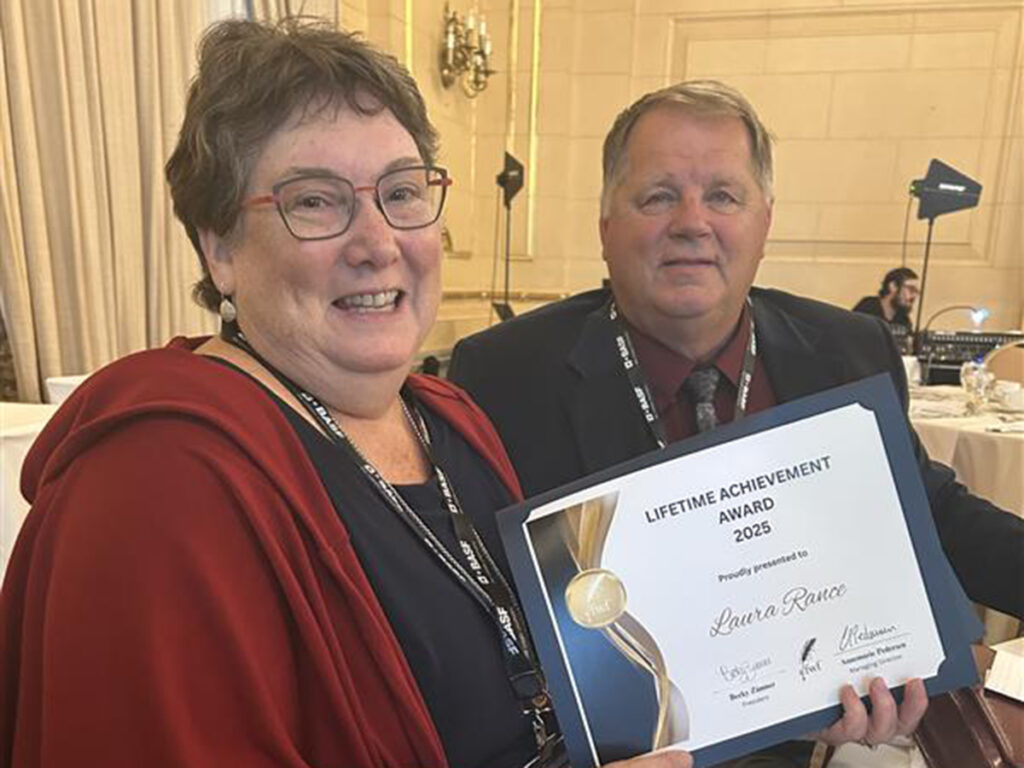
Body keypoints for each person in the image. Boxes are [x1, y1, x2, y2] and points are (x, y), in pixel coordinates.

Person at [0, 19, 689, 768]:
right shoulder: (155, 480)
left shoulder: (448, 420)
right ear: (219, 247)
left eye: (400, 191)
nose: (377, 242)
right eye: (317, 202)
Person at [449, 80, 1024, 764]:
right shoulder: (504, 376)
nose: (693, 221)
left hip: (811, 734)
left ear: (765, 220)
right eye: (658, 195)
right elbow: (479, 603)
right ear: (606, 225)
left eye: (723, 195)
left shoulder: (847, 351)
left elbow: (926, 511)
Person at [853, 267, 919, 335]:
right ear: (893, 286)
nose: (914, 295)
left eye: (917, 292)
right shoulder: (867, 309)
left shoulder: (903, 319)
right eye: (911, 289)